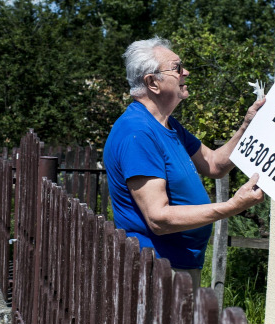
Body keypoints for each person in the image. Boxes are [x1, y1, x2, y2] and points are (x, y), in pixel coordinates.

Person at [103, 36, 265, 288]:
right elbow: (159, 218)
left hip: (177, 265)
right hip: (157, 270)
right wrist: (232, 206)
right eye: (177, 68)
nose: (185, 72)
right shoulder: (138, 133)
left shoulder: (166, 125)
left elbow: (214, 164)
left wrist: (247, 126)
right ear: (152, 82)